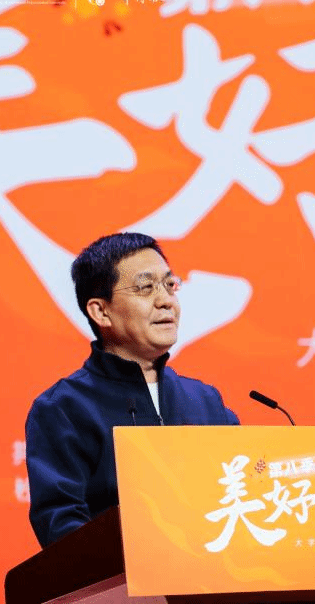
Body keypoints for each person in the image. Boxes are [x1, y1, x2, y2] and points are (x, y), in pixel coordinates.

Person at [25, 232, 239, 547]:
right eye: (145, 287)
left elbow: (242, 495)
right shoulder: (63, 408)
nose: (166, 300)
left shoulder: (206, 402)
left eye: (170, 285)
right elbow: (62, 528)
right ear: (101, 312)